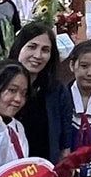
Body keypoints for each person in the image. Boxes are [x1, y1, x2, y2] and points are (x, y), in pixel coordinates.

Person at [8, 22, 63, 162]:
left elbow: (64, 139)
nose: (38, 55)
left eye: (45, 50)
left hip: (44, 167)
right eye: (32, 47)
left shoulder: (56, 90)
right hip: (4, 170)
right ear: (19, 47)